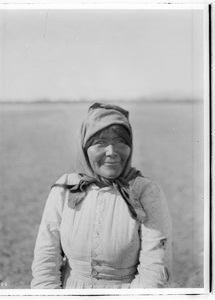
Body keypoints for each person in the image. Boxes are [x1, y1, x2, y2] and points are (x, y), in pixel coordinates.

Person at [31, 102, 172, 289]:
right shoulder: (66, 188)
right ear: (84, 147)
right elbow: (45, 260)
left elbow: (154, 271)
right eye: (100, 143)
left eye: (121, 142)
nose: (112, 152)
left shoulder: (146, 192)